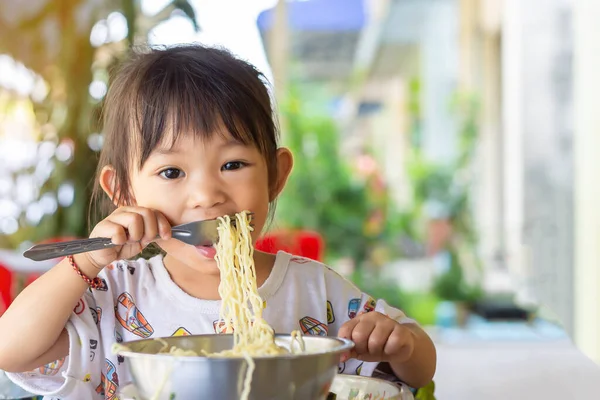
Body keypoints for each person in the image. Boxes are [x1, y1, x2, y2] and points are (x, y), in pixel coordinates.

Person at [0, 44, 436, 399]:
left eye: (233, 164)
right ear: (125, 193)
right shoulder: (113, 293)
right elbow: (11, 351)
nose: (207, 195)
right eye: (172, 172)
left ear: (275, 176)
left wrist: (401, 344)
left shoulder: (315, 290)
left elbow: (418, 366)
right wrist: (84, 264)